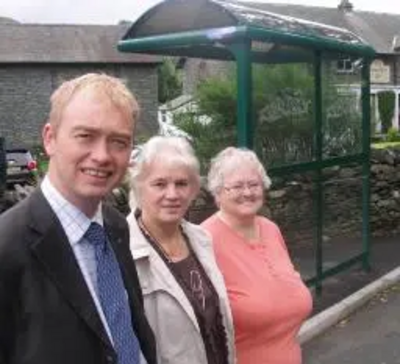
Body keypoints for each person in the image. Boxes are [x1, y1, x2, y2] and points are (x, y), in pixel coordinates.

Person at [0, 73, 156, 364]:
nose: (102, 155)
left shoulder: (115, 227)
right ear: (50, 138)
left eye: (119, 142)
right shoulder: (8, 247)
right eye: (85, 136)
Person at [126, 136, 236, 364]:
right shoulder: (124, 252)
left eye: (181, 184)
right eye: (160, 184)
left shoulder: (201, 239)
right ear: (139, 187)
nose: (172, 194)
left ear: (194, 188)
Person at [201, 147, 312, 364]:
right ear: (217, 192)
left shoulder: (271, 229)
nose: (248, 192)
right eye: (237, 186)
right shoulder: (204, 240)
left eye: (254, 184)